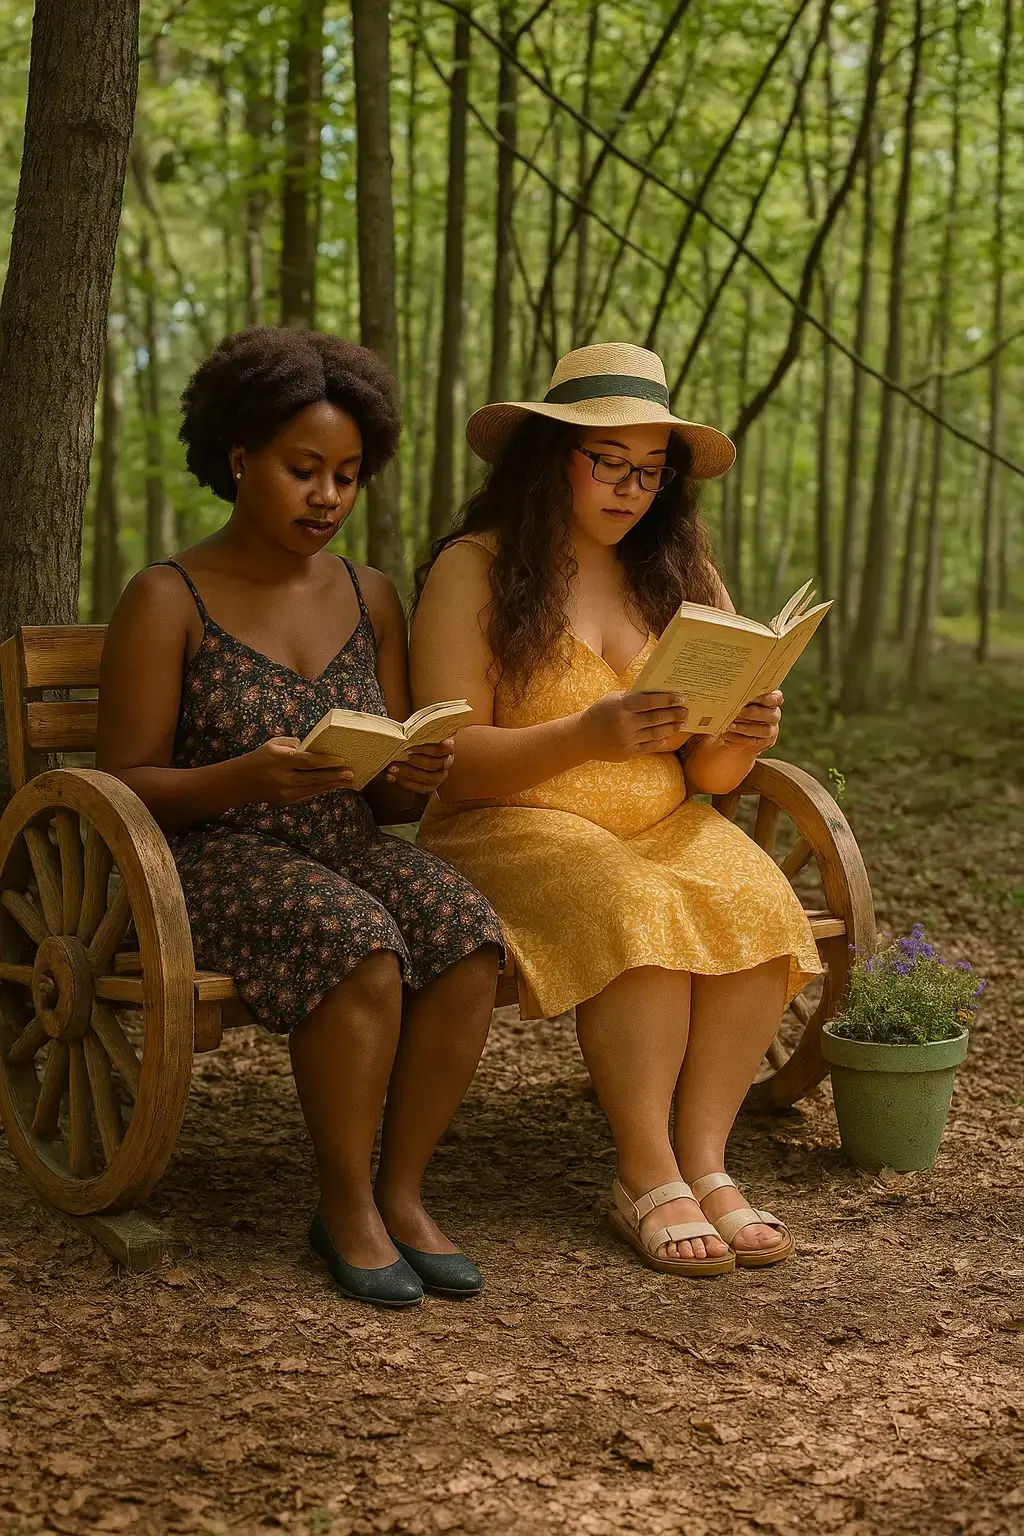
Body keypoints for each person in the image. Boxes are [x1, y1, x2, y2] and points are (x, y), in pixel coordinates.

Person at [96, 327, 504, 1309]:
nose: (328, 497)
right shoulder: (168, 596)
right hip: (204, 858)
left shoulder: (372, 595)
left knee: (467, 934)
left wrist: (417, 767)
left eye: (349, 476)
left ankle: (403, 1194)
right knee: (359, 944)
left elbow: (391, 799)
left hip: (344, 842)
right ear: (240, 461)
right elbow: (122, 784)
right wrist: (241, 779)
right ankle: (345, 1204)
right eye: (304, 470)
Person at [411, 342, 822, 1278]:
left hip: (665, 819)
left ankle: (706, 1163)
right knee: (635, 903)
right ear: (550, 455)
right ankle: (644, 1174)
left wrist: (746, 726)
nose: (632, 489)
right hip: (511, 822)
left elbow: (712, 774)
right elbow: (451, 763)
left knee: (759, 900)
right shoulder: (474, 570)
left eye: (651, 471)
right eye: (610, 463)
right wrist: (588, 735)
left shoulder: (675, 568)